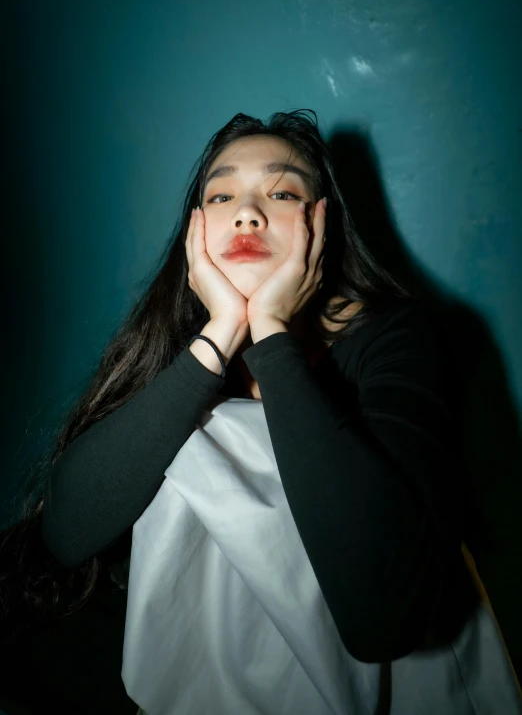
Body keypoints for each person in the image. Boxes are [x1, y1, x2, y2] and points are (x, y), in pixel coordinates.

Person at [0, 109, 519, 714]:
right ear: (196, 229)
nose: (247, 211)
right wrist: (221, 335)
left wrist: (271, 337)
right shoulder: (175, 340)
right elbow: (66, 535)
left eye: (281, 191)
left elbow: (382, 618)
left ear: (323, 224)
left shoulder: (394, 339)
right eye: (222, 195)